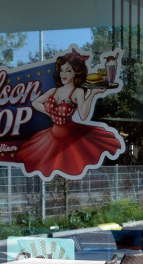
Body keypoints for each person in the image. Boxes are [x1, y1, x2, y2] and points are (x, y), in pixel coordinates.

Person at [17, 49, 123, 178]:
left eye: (68, 70)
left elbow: (83, 115)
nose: (63, 74)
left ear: (75, 72)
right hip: (52, 135)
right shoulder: (53, 91)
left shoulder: (77, 91)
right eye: (61, 70)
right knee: (47, 163)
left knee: (70, 164)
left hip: (70, 137)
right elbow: (35, 103)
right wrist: (51, 114)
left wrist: (92, 94)